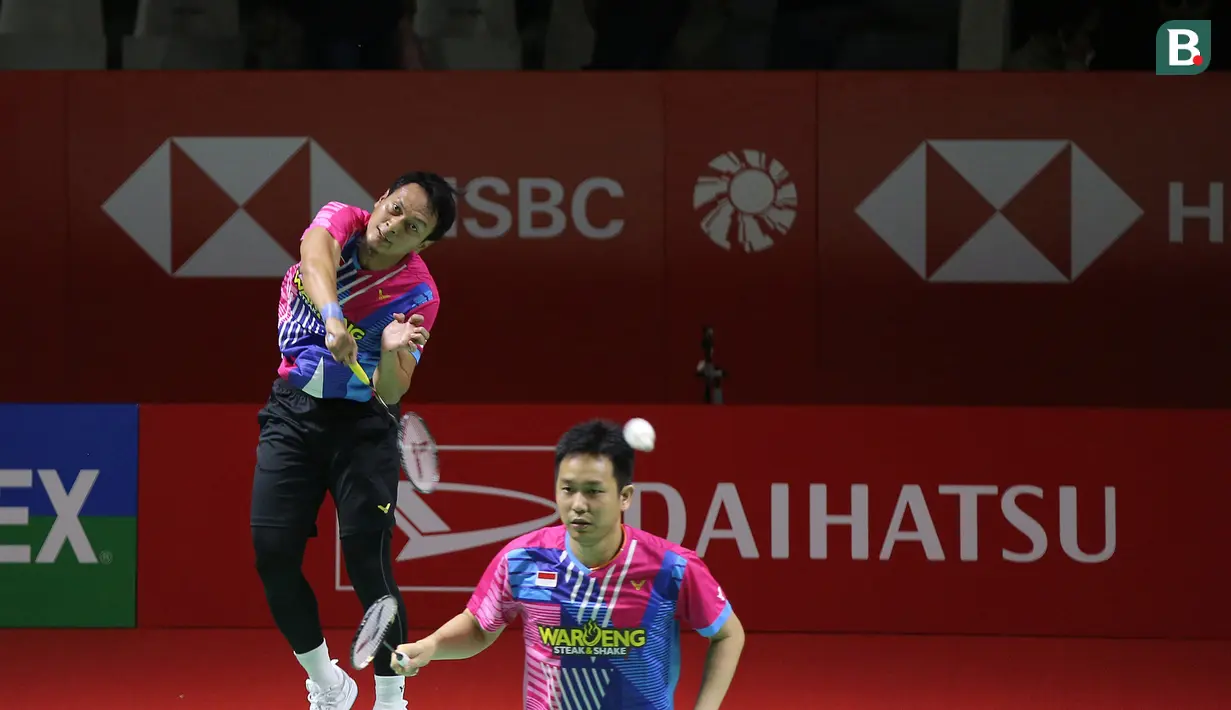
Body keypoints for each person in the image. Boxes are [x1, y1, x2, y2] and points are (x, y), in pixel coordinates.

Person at [250, 171, 458, 710]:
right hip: (292, 412)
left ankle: (391, 698)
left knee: (369, 563)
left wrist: (390, 348)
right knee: (273, 554)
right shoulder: (341, 221)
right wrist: (335, 315)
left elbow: (393, 389)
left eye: (413, 227)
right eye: (394, 210)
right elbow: (314, 259)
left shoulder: (419, 294)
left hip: (364, 425)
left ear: (424, 244)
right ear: (379, 201)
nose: (394, 227)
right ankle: (328, 683)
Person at [390, 419, 746, 709]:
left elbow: (729, 633)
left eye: (593, 491)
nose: (577, 504)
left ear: (625, 497)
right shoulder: (522, 560)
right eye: (567, 489)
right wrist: (432, 646)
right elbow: (480, 628)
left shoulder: (670, 567)